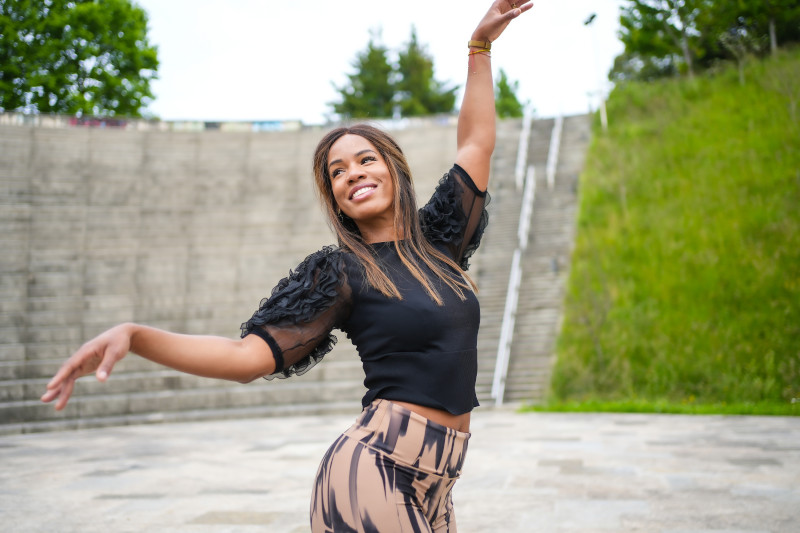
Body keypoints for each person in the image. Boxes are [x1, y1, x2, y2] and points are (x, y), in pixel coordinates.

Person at [41, 1, 533, 531]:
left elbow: (477, 141)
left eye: (366, 159)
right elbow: (244, 357)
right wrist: (136, 336)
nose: (354, 174)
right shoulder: (341, 273)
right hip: (378, 469)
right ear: (335, 199)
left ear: (394, 169)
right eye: (337, 171)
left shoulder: (440, 242)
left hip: (441, 482)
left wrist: (479, 48)